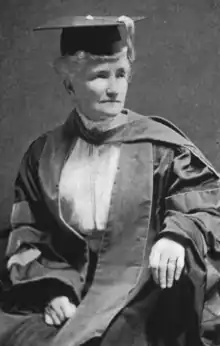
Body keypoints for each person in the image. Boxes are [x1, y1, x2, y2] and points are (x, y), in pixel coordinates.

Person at [0, 14, 220, 346]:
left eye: (121, 74)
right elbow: (28, 234)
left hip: (147, 292)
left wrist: (177, 236)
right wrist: (52, 291)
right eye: (100, 76)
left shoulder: (161, 148)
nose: (114, 88)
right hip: (74, 292)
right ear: (69, 84)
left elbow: (207, 203)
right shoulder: (42, 156)